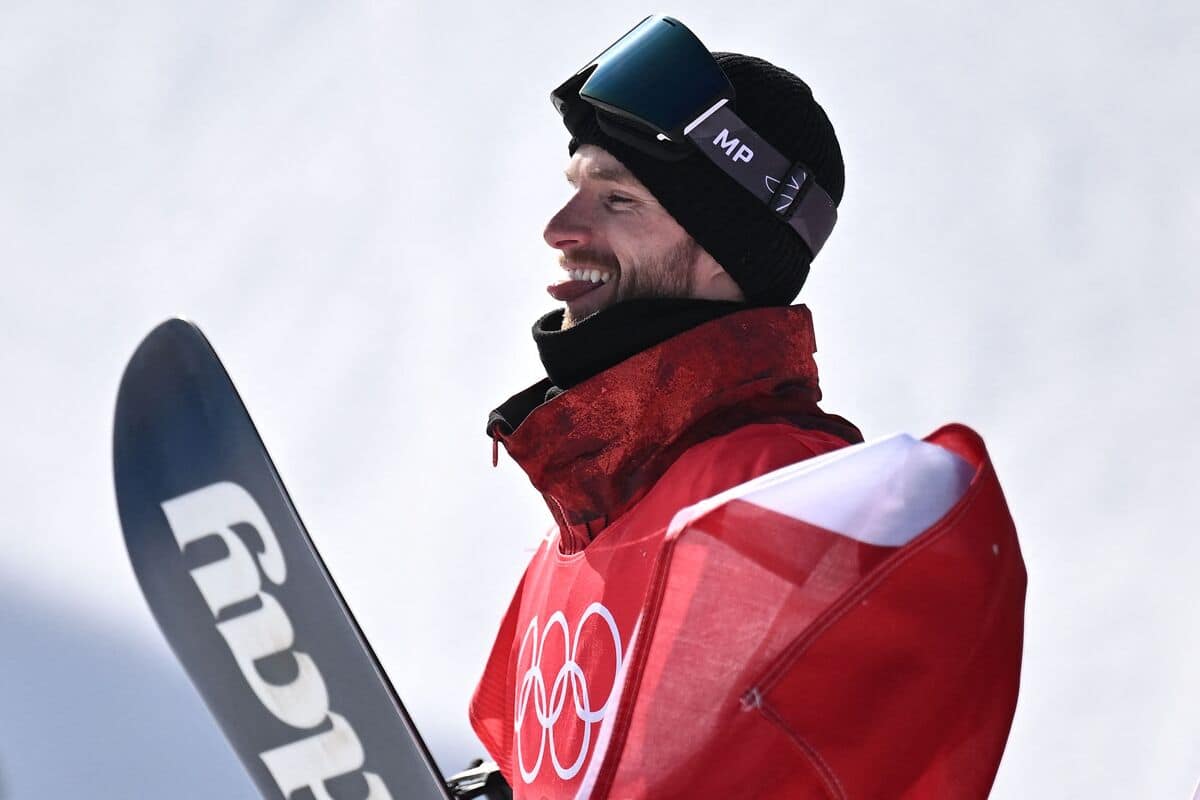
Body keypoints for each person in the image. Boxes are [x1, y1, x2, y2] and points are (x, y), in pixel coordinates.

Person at [465, 16, 1024, 800]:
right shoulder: (576, 531)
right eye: (575, 192)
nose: (560, 231)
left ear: (727, 256)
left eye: (618, 201)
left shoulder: (793, 502)